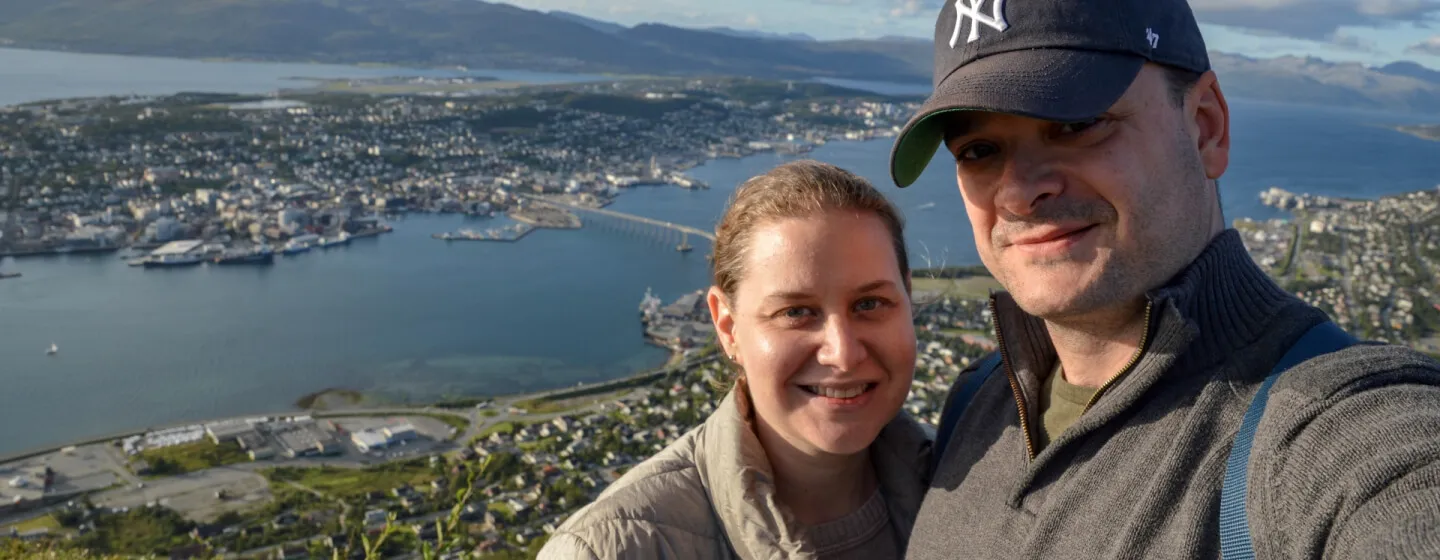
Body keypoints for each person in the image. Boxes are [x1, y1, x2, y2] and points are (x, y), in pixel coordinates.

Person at [886, 0, 1440, 558]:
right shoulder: (976, 402)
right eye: (979, 151)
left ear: (1206, 128)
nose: (1016, 193)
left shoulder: (1331, 429)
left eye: (1077, 124)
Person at [538, 160, 930, 559]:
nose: (842, 354)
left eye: (870, 303)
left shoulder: (978, 487)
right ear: (728, 328)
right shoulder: (610, 549)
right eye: (795, 312)